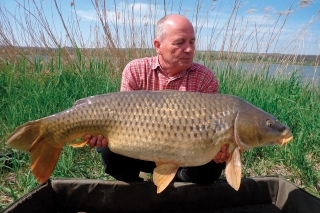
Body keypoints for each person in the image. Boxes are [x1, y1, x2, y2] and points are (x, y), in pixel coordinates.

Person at [84, 14, 230, 183]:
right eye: (180, 42)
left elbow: (213, 130)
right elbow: (120, 119)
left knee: (213, 167)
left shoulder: (205, 77)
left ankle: (178, 181)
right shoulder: (135, 70)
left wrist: (218, 152)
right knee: (108, 149)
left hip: (187, 156)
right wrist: (103, 135)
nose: (189, 49)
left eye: (192, 42)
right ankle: (136, 187)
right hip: (141, 151)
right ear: (158, 45)